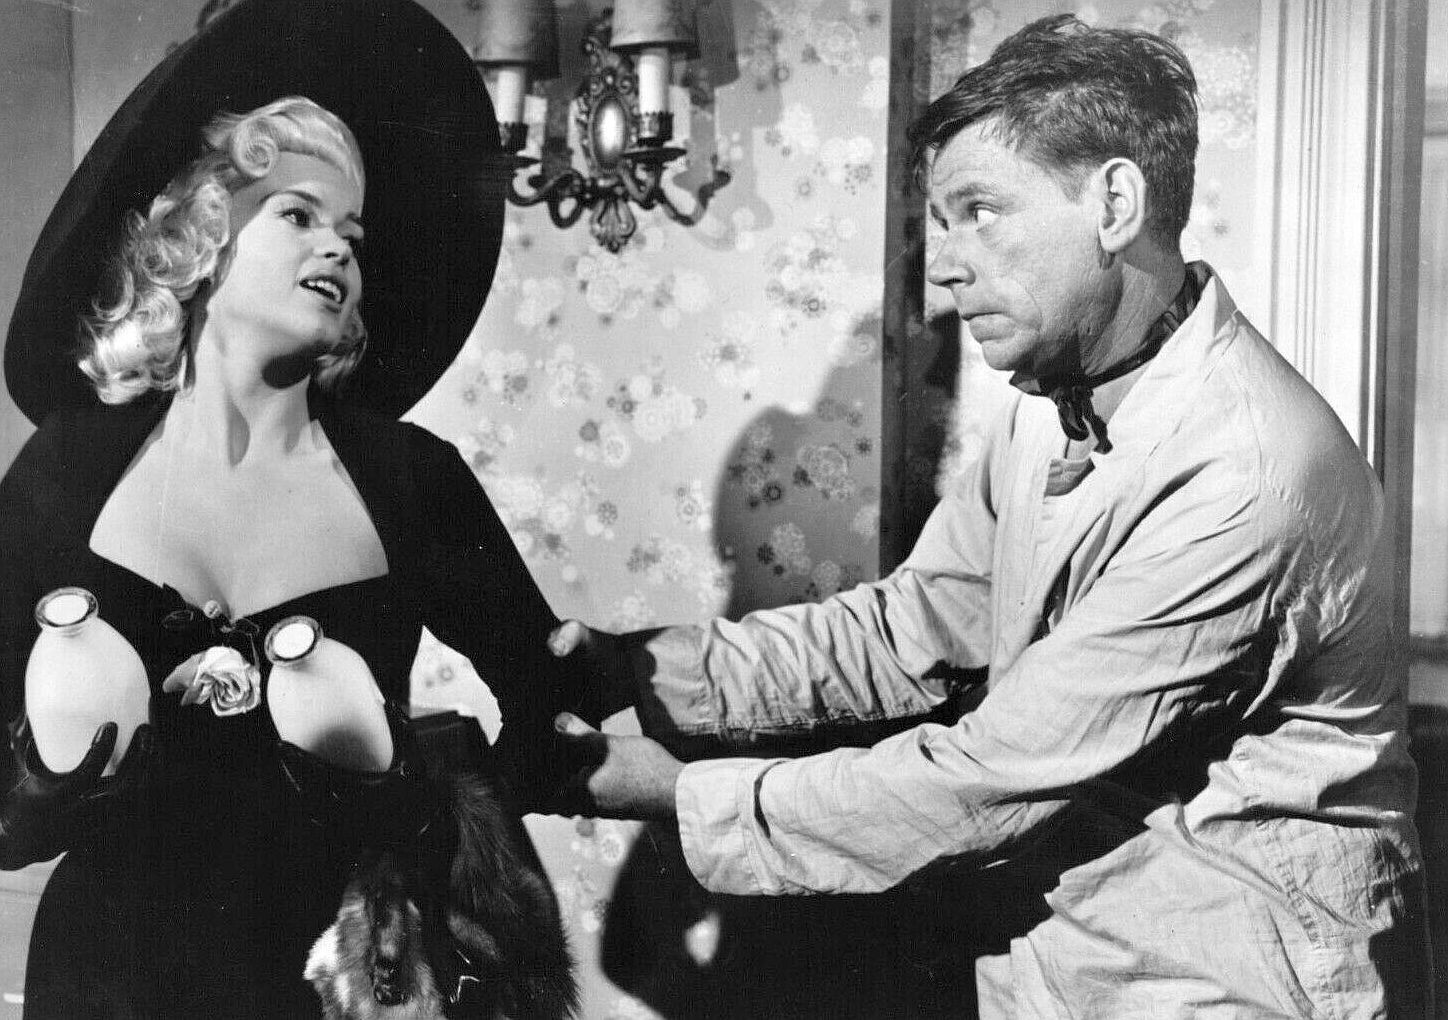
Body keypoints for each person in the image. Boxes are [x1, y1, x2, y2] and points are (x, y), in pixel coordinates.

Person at [550, 14, 1434, 1017]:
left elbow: (988, 780)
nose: (941, 264)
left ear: (1113, 203)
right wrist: (640, 669)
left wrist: (673, 792)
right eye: (941, 218)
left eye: (979, 211)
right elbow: (912, 627)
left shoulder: (1248, 473)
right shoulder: (1056, 394)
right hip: (1071, 966)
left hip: (1232, 991)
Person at [0, 0, 579, 1014]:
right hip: (105, 975)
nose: (341, 250)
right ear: (200, 237)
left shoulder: (412, 477)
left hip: (338, 980)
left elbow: (550, 714)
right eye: (299, 215)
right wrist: (39, 788)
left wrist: (412, 797)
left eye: (352, 232)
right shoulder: (69, 466)